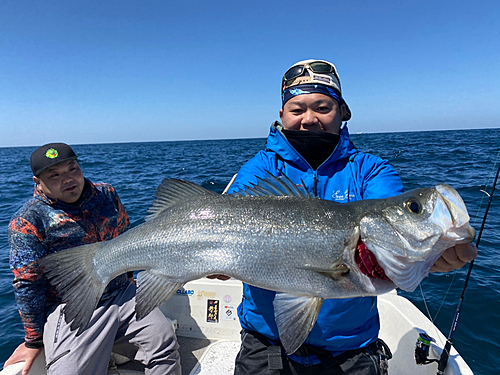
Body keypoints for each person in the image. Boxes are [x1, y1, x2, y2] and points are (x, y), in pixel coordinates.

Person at [224, 59, 478, 374]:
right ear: (281, 115)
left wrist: (424, 256)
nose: (309, 119)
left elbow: (385, 229)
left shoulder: (372, 171)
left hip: (350, 353)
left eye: (322, 107)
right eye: (297, 109)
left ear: (343, 111)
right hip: (265, 348)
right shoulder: (259, 171)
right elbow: (223, 227)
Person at [5, 143, 181, 375]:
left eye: (73, 169)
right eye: (55, 175)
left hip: (121, 292)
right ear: (37, 182)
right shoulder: (27, 221)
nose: (68, 179)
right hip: (73, 305)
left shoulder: (106, 193)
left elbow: (125, 234)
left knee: (164, 341)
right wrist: (33, 340)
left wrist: (129, 280)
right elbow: (28, 284)